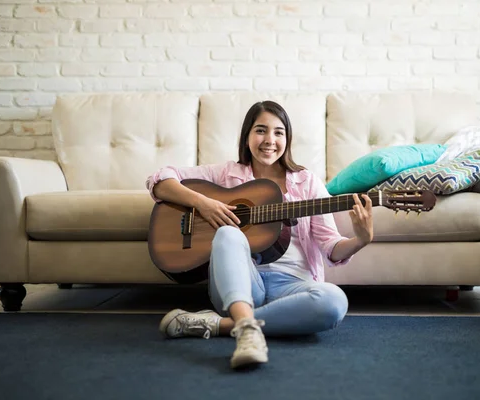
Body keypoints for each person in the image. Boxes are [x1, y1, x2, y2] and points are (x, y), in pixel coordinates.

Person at [145, 100, 374, 369]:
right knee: (229, 234)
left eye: (279, 132)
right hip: (241, 284)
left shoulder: (307, 182)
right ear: (247, 136)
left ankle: (224, 325)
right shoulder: (225, 174)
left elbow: (330, 245)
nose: (270, 140)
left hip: (293, 287)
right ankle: (246, 327)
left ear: (287, 140)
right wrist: (203, 203)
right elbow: (159, 180)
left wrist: (361, 239)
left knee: (334, 301)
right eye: (261, 130)